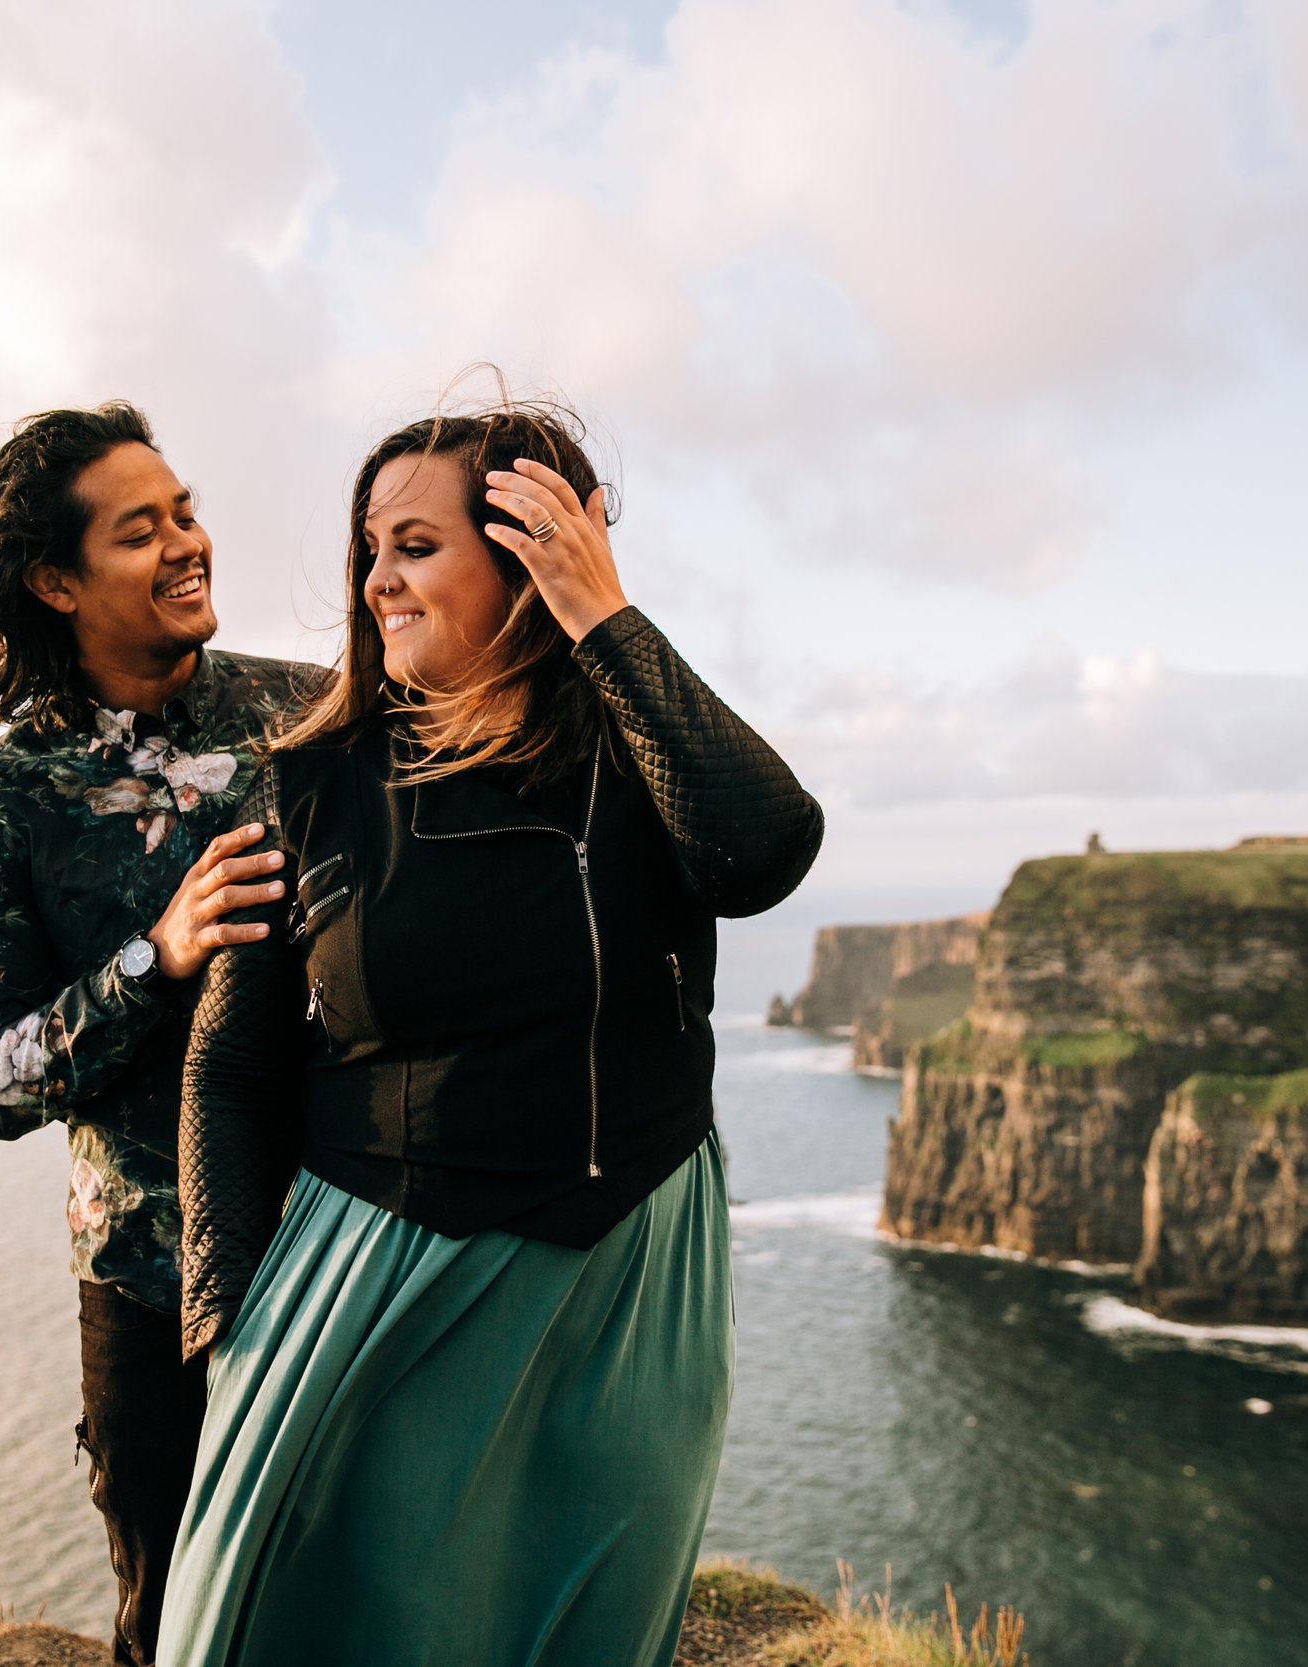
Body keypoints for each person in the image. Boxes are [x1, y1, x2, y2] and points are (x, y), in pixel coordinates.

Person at [158, 401, 824, 1666]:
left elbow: (766, 849)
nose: (377, 580)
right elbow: (231, 1060)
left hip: (631, 1276)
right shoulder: (314, 782)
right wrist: (228, 1321)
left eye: (416, 545)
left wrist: (606, 621)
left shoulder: (647, 747)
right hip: (379, 1274)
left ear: (529, 556)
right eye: (373, 546)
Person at [0, 404, 321, 1666]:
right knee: (176, 1619)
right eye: (144, 529)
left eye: (185, 511)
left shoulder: (315, 719)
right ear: (57, 580)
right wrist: (156, 954)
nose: (188, 542)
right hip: (145, 1275)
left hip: (351, 1231)